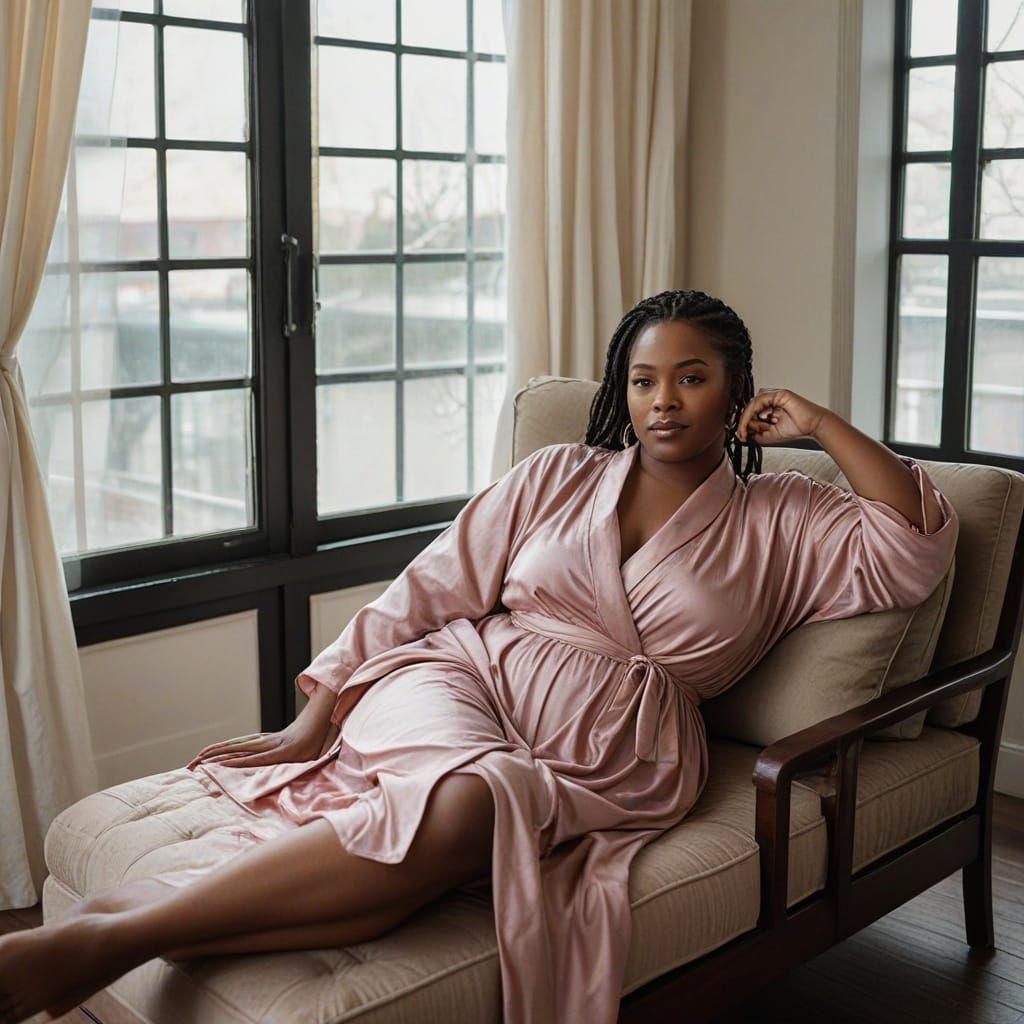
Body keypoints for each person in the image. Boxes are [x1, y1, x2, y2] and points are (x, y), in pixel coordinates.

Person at [0, 289, 958, 1024]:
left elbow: (915, 544)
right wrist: (312, 717)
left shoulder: (786, 518)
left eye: (693, 377)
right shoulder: (558, 473)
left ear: (739, 390)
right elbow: (432, 585)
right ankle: (102, 944)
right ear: (621, 392)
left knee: (472, 802)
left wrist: (823, 429)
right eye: (642, 379)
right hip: (461, 675)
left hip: (612, 746)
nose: (663, 401)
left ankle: (112, 936)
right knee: (466, 793)